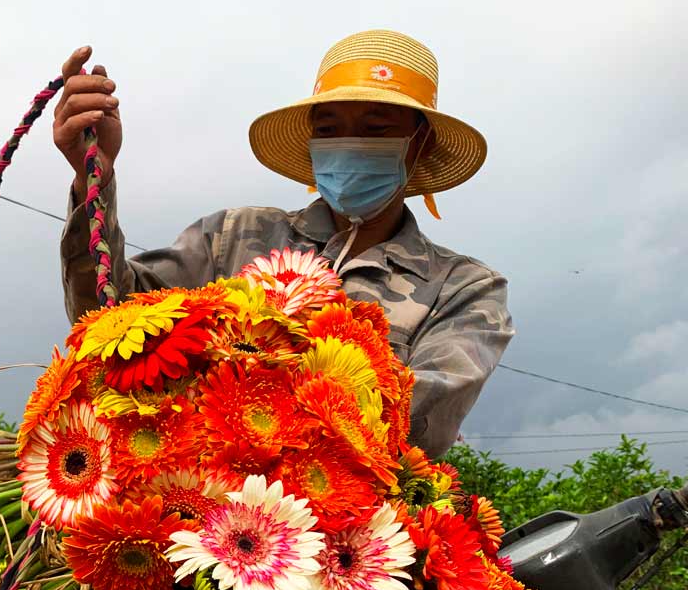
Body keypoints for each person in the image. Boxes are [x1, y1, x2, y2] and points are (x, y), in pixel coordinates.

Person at [52, 30, 513, 458]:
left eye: (376, 129)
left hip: (345, 530)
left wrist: (244, 399)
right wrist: (95, 176)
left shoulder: (464, 290)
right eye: (330, 129)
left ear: (420, 144)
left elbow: (416, 416)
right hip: (181, 499)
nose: (350, 143)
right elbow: (111, 320)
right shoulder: (231, 236)